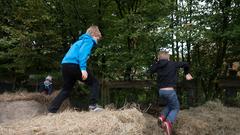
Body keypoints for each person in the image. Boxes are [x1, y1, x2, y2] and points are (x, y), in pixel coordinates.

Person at [48, 25, 102, 113]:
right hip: (74, 65)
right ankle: (93, 106)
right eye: (97, 37)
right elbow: (82, 54)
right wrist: (83, 69)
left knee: (66, 89)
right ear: (93, 34)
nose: (97, 40)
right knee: (94, 83)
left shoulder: (79, 42)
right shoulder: (89, 41)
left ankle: (52, 110)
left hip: (65, 65)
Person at [148, 51, 193, 135]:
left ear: (158, 59)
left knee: (170, 105)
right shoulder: (173, 64)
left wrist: (157, 63)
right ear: (168, 58)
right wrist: (187, 73)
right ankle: (168, 122)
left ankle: (162, 117)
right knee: (176, 107)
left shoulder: (157, 65)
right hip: (170, 91)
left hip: (161, 91)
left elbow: (150, 70)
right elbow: (186, 64)